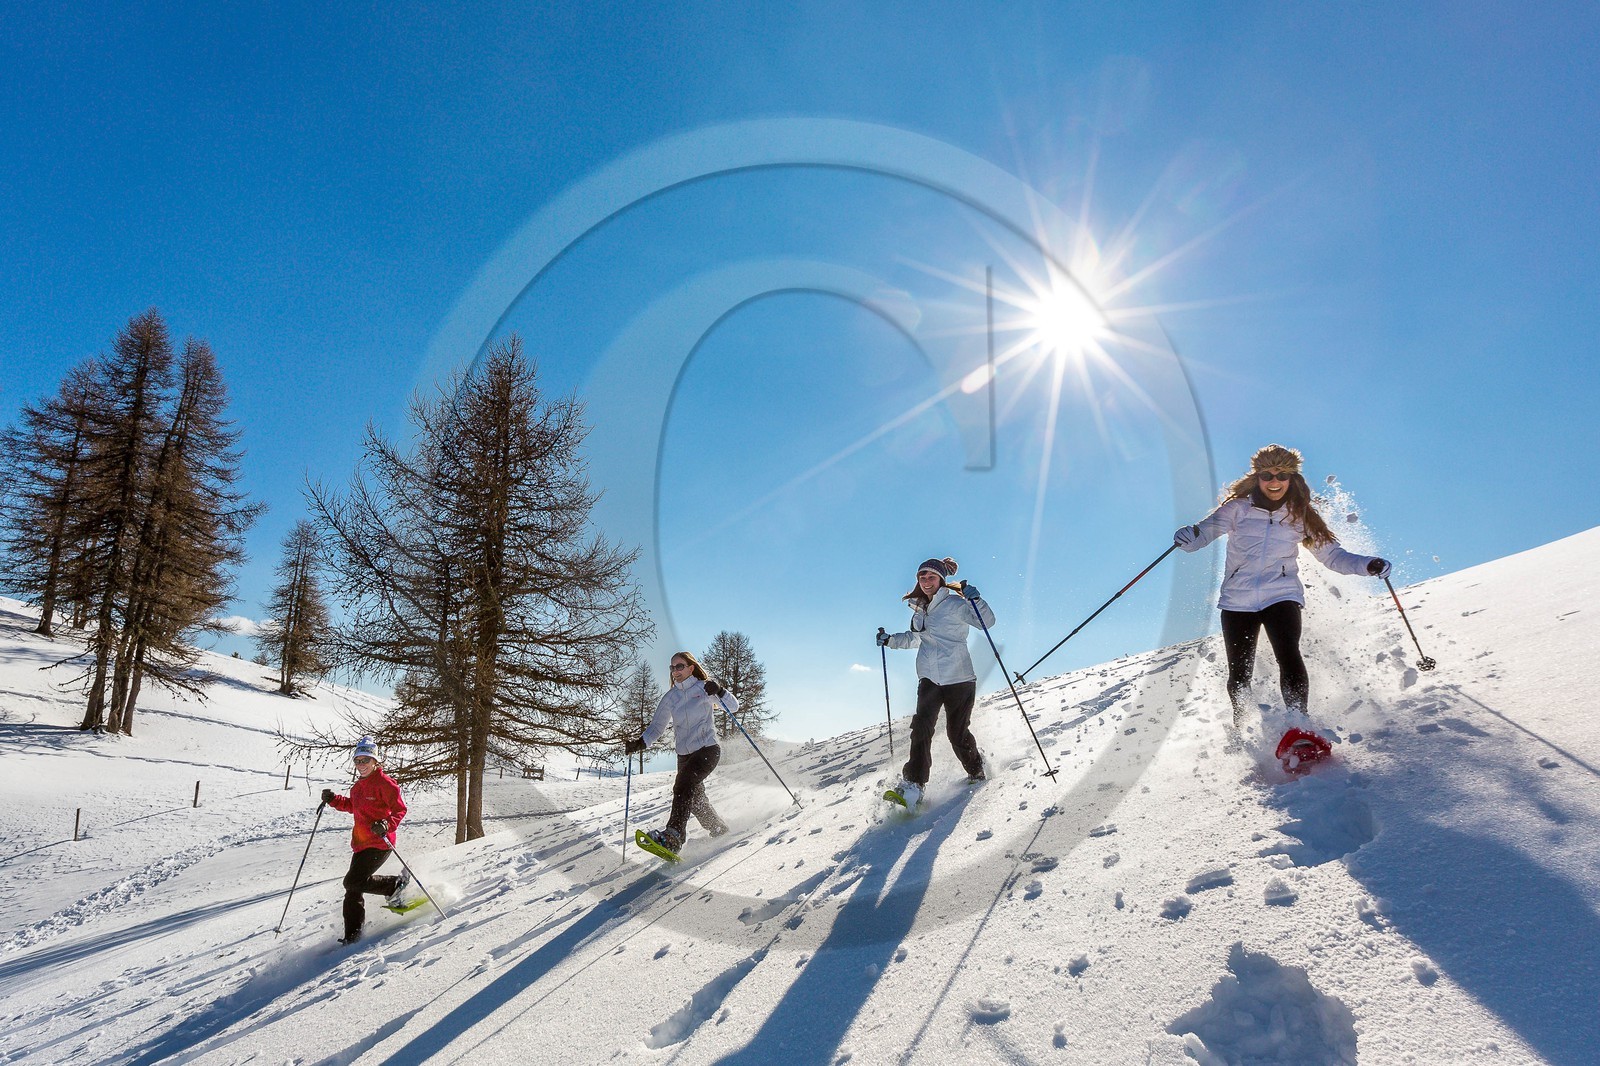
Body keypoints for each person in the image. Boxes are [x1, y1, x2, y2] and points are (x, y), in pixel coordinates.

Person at [1173, 444, 1390, 726]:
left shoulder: (1301, 517)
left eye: (1282, 475)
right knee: (1239, 673)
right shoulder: (1237, 510)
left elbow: (1333, 556)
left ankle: (1299, 723)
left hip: (1281, 595)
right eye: (1267, 475)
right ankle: (1244, 726)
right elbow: (1202, 535)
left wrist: (1367, 564)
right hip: (1237, 602)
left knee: (1288, 654)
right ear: (1257, 478)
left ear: (1292, 479)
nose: (1274, 482)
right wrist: (1189, 537)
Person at [876, 557, 992, 806]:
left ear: (941, 579)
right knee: (921, 729)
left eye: (931, 577)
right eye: (922, 577)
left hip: (959, 678)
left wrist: (976, 600)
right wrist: (891, 640)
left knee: (956, 733)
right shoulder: (920, 609)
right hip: (929, 678)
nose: (926, 581)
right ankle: (913, 786)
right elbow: (916, 639)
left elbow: (986, 623)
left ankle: (976, 770)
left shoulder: (955, 603)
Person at [625, 651, 731, 854]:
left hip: (707, 749)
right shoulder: (670, 697)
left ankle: (674, 836)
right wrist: (640, 743)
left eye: (680, 666)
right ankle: (719, 829)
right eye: (672, 668)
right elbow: (656, 727)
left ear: (691, 668)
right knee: (696, 800)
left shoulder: (704, 688)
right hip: (684, 755)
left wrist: (720, 691)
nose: (675, 671)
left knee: (683, 784)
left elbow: (733, 707)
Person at [321, 736, 409, 944]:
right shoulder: (359, 785)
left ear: (375, 761)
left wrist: (387, 825)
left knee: (352, 882)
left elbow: (400, 810)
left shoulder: (385, 783)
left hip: (379, 842)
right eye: (357, 760)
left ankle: (394, 885)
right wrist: (334, 800)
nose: (361, 765)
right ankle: (352, 936)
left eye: (365, 760)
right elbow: (354, 806)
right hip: (361, 843)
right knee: (353, 888)